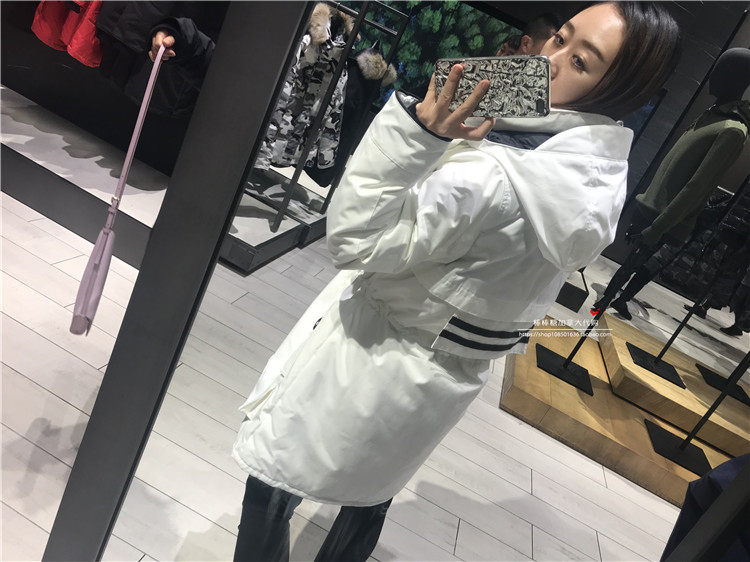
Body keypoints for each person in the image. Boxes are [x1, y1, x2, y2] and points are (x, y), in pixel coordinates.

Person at [231, 2, 681, 561]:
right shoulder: (594, 177)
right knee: (373, 487)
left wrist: (416, 136)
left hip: (371, 354)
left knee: (275, 476)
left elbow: (353, 241)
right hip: (440, 377)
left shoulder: (492, 175)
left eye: (580, 61)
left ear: (619, 91)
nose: (550, 59)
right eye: (560, 38)